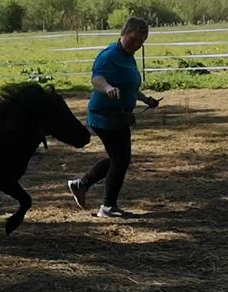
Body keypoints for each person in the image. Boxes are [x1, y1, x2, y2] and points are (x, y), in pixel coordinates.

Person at [67, 16, 161, 218]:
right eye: (134, 39)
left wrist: (146, 99)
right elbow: (97, 79)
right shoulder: (109, 55)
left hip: (119, 117)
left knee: (118, 158)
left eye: (141, 42)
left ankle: (81, 184)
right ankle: (108, 207)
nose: (136, 45)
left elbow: (130, 87)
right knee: (120, 159)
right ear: (124, 33)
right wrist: (108, 88)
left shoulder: (128, 55)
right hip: (105, 116)